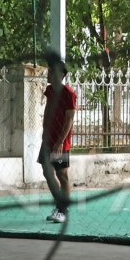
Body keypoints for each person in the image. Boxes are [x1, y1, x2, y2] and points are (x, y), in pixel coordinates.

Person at [39, 56, 77, 223]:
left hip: (60, 142)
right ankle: (59, 206)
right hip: (48, 140)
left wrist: (60, 141)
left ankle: (64, 210)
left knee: (62, 175)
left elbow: (69, 120)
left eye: (52, 71)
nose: (48, 73)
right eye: (48, 70)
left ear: (61, 74)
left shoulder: (69, 94)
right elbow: (47, 111)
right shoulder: (50, 90)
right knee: (47, 172)